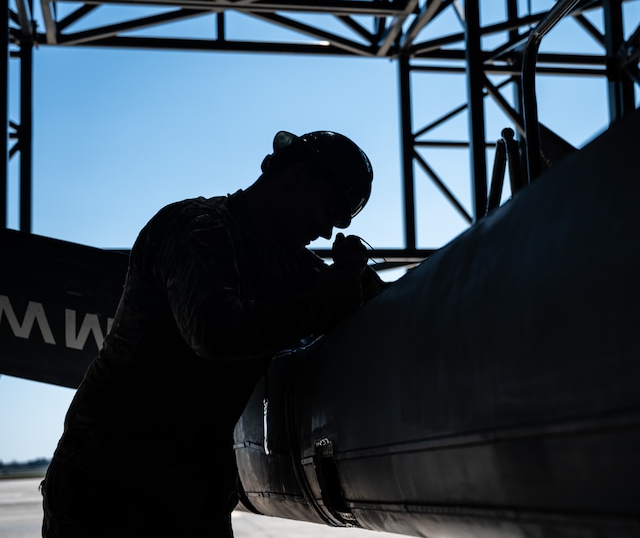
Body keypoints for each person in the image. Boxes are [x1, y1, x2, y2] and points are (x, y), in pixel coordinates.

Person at [40, 130, 387, 537]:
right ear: (295, 180)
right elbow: (213, 331)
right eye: (326, 210)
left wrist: (354, 281)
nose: (327, 233)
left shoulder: (287, 265)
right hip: (108, 493)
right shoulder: (195, 227)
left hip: (187, 497)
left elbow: (367, 299)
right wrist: (322, 303)